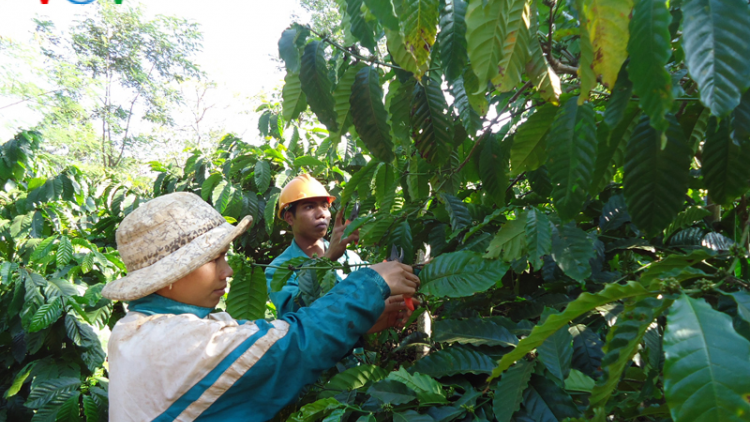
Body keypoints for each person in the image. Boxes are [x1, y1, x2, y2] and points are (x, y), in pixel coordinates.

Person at [101, 192, 420, 421]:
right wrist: (370, 283)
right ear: (168, 276)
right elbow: (289, 347)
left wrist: (361, 324)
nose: (228, 271)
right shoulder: (170, 340)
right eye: (215, 259)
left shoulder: (134, 329)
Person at [265, 174, 415, 332]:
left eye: (324, 206)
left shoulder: (350, 258)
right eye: (309, 207)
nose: (321, 213)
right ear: (289, 217)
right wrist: (328, 258)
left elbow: (373, 292)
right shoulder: (278, 269)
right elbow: (295, 313)